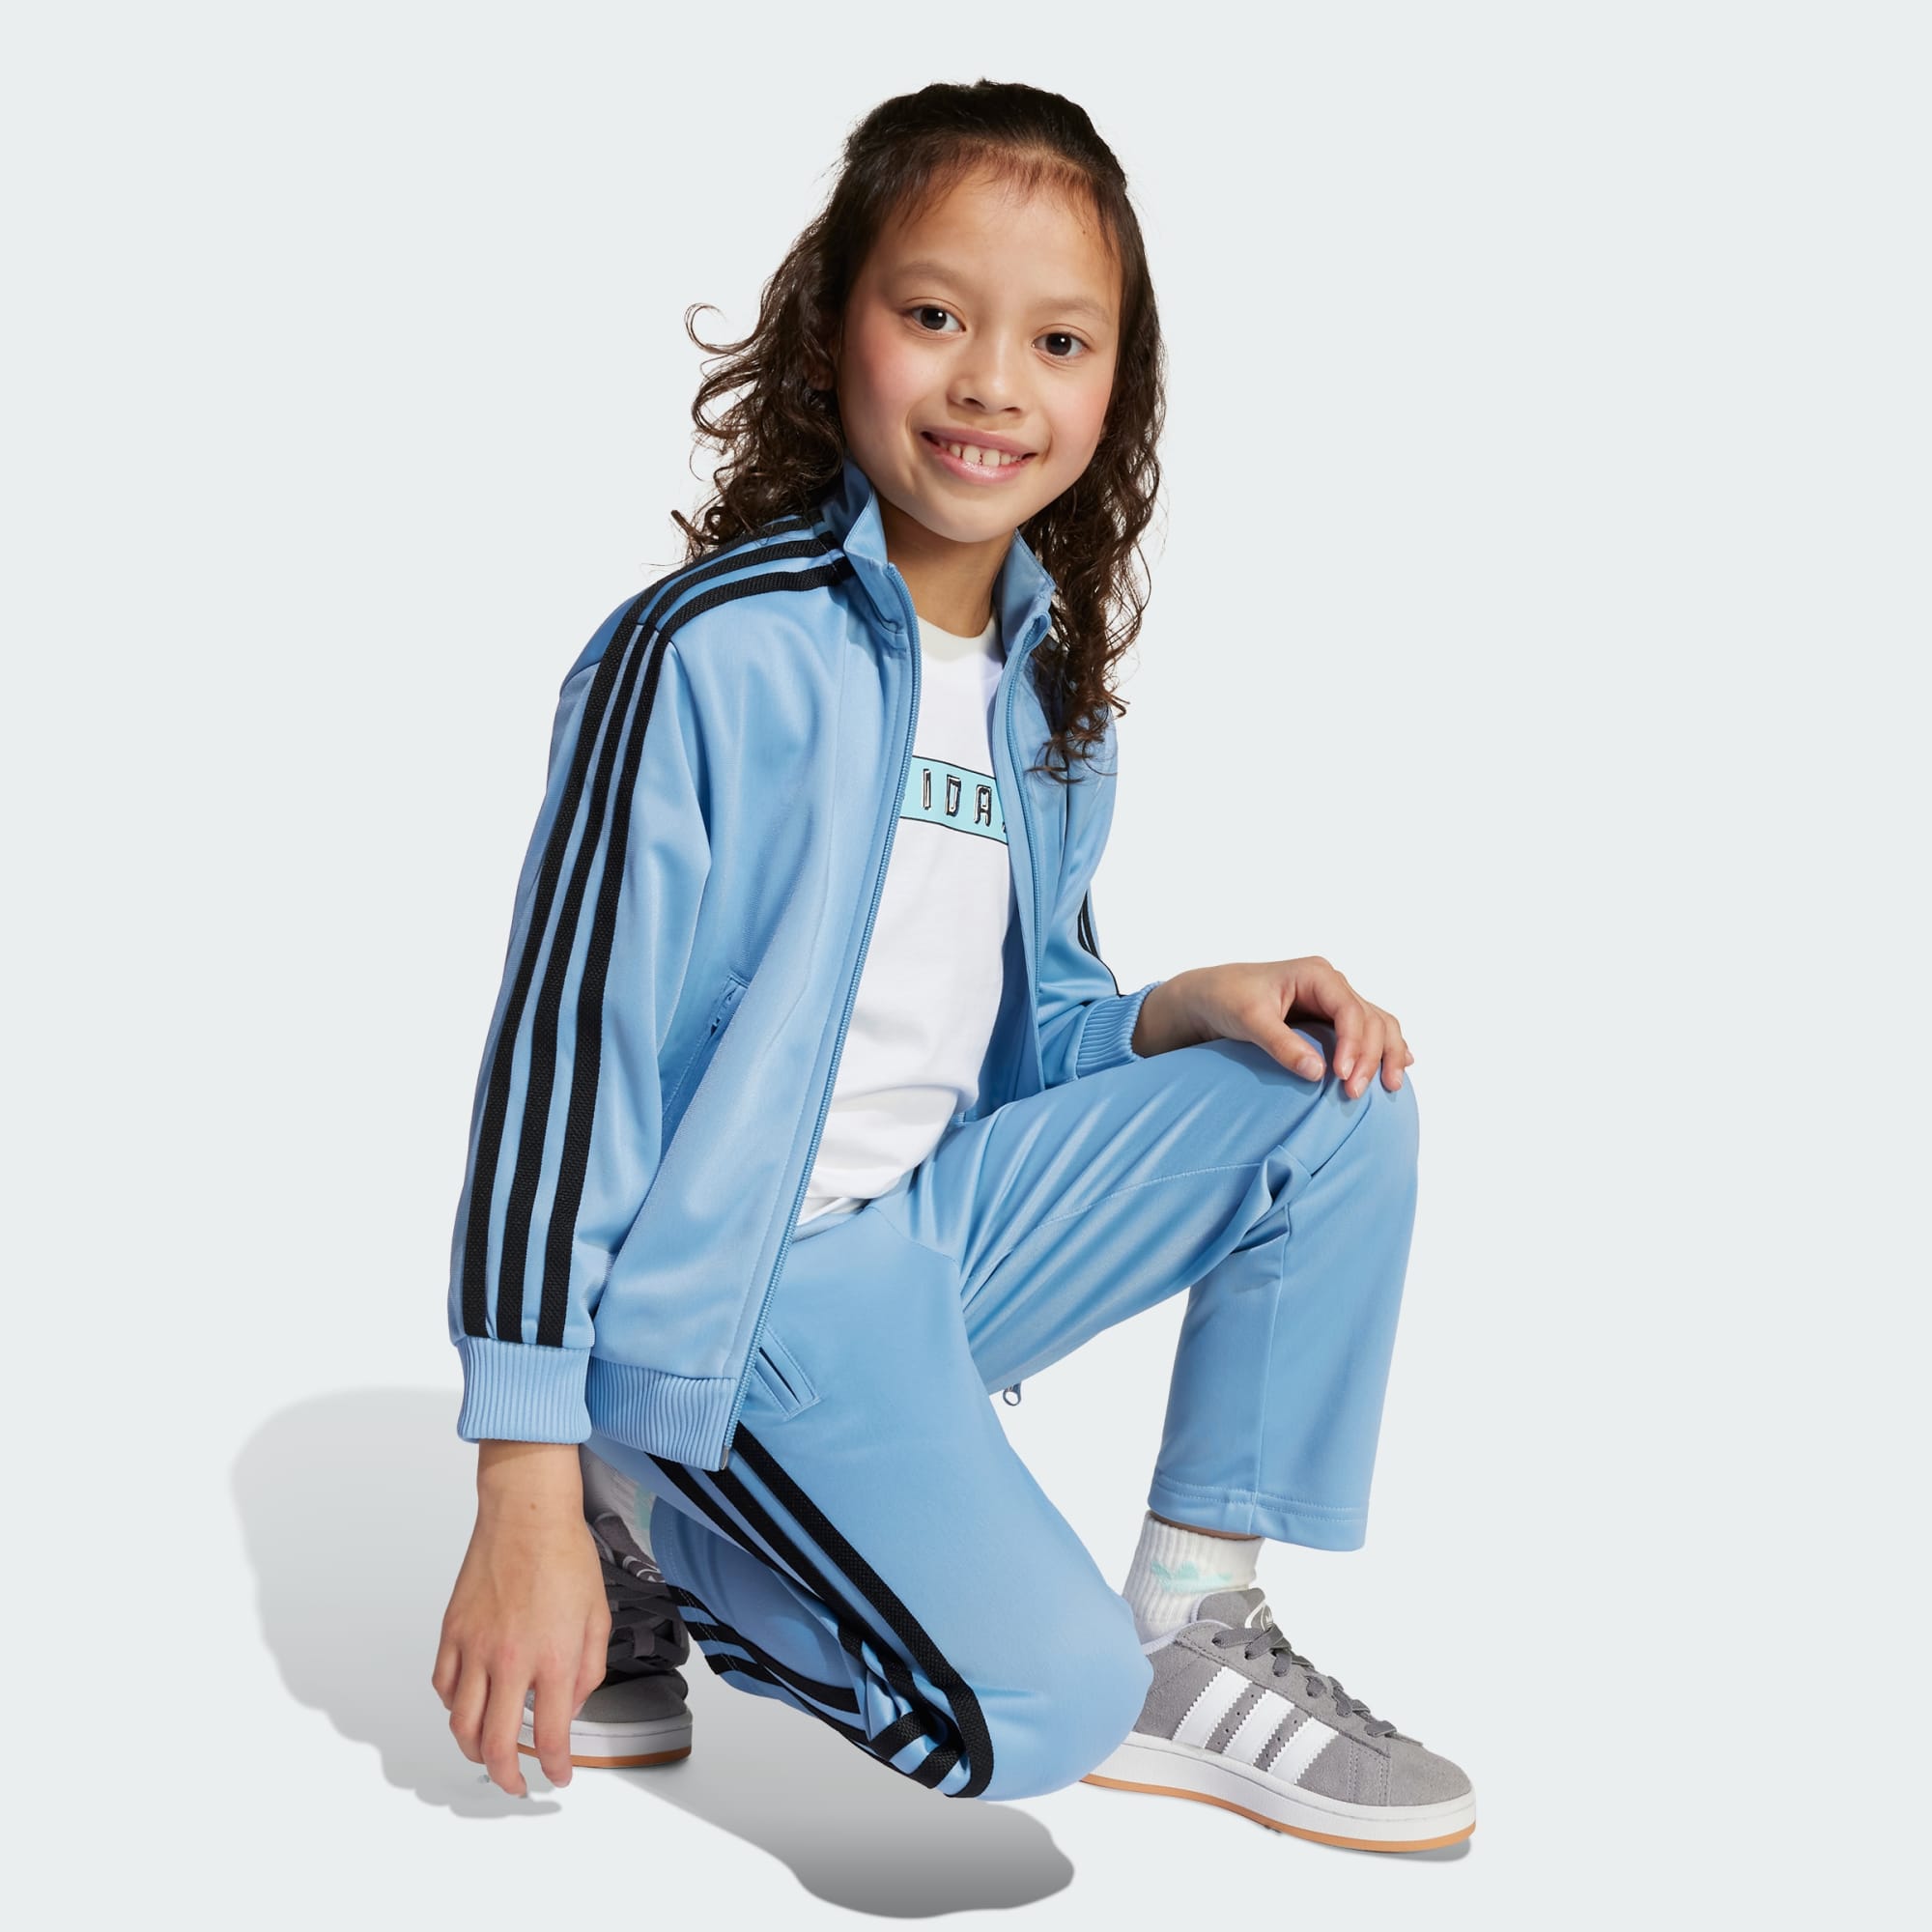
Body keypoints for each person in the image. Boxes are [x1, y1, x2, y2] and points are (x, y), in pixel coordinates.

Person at [430, 77, 1473, 1853]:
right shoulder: (707, 655)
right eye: (934, 315)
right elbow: (561, 1062)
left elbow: (1018, 1037)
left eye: (1058, 341)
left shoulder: (1054, 707)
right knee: (1040, 1713)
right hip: (732, 1307)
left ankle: (1193, 1618)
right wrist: (519, 1474)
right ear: (833, 324)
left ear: (1113, 387)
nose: (994, 381)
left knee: (1336, 1096)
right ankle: (637, 1503)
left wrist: (1171, 1013)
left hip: (933, 1246)